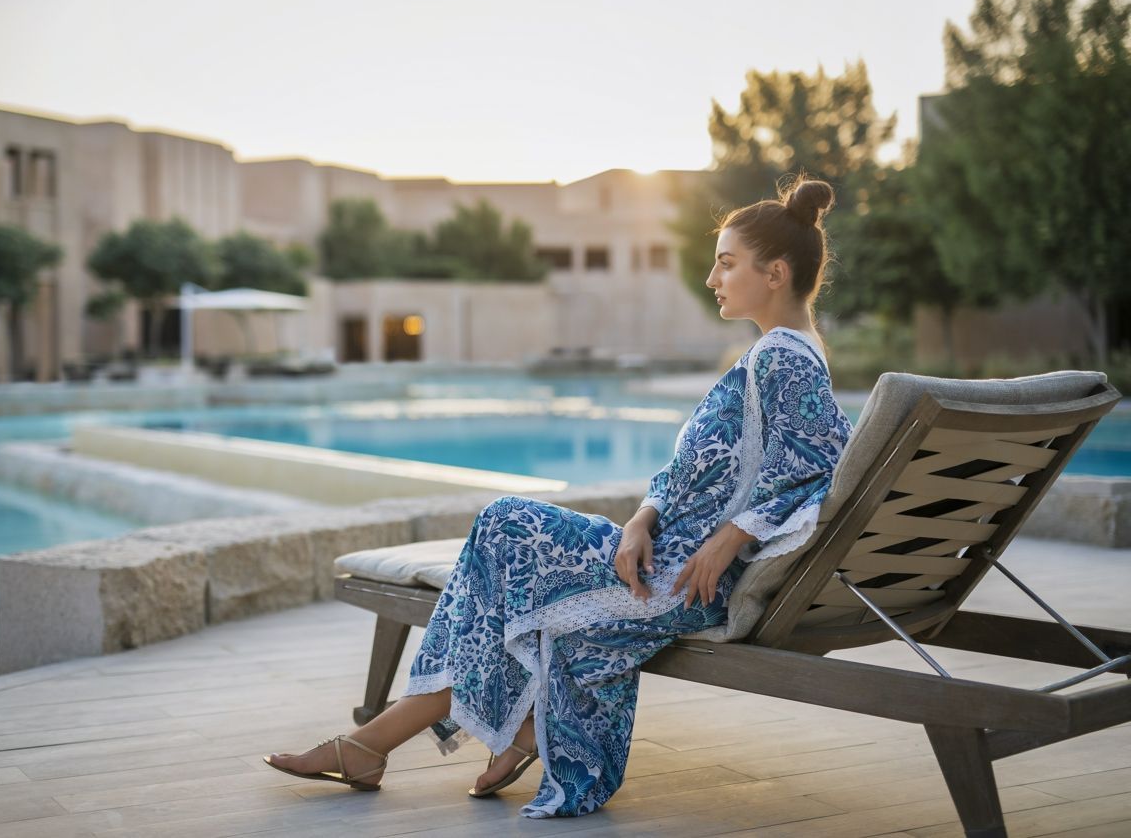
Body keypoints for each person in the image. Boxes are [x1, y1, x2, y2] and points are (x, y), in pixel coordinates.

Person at [264, 175, 855, 818]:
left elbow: (820, 463)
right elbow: (698, 471)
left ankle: (379, 744)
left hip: (681, 578)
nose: (712, 278)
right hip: (660, 551)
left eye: (726, 263)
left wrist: (728, 541)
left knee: (504, 533)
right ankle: (435, 739)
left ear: (775, 273)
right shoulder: (778, 354)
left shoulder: (784, 358)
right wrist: (642, 517)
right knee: (503, 557)